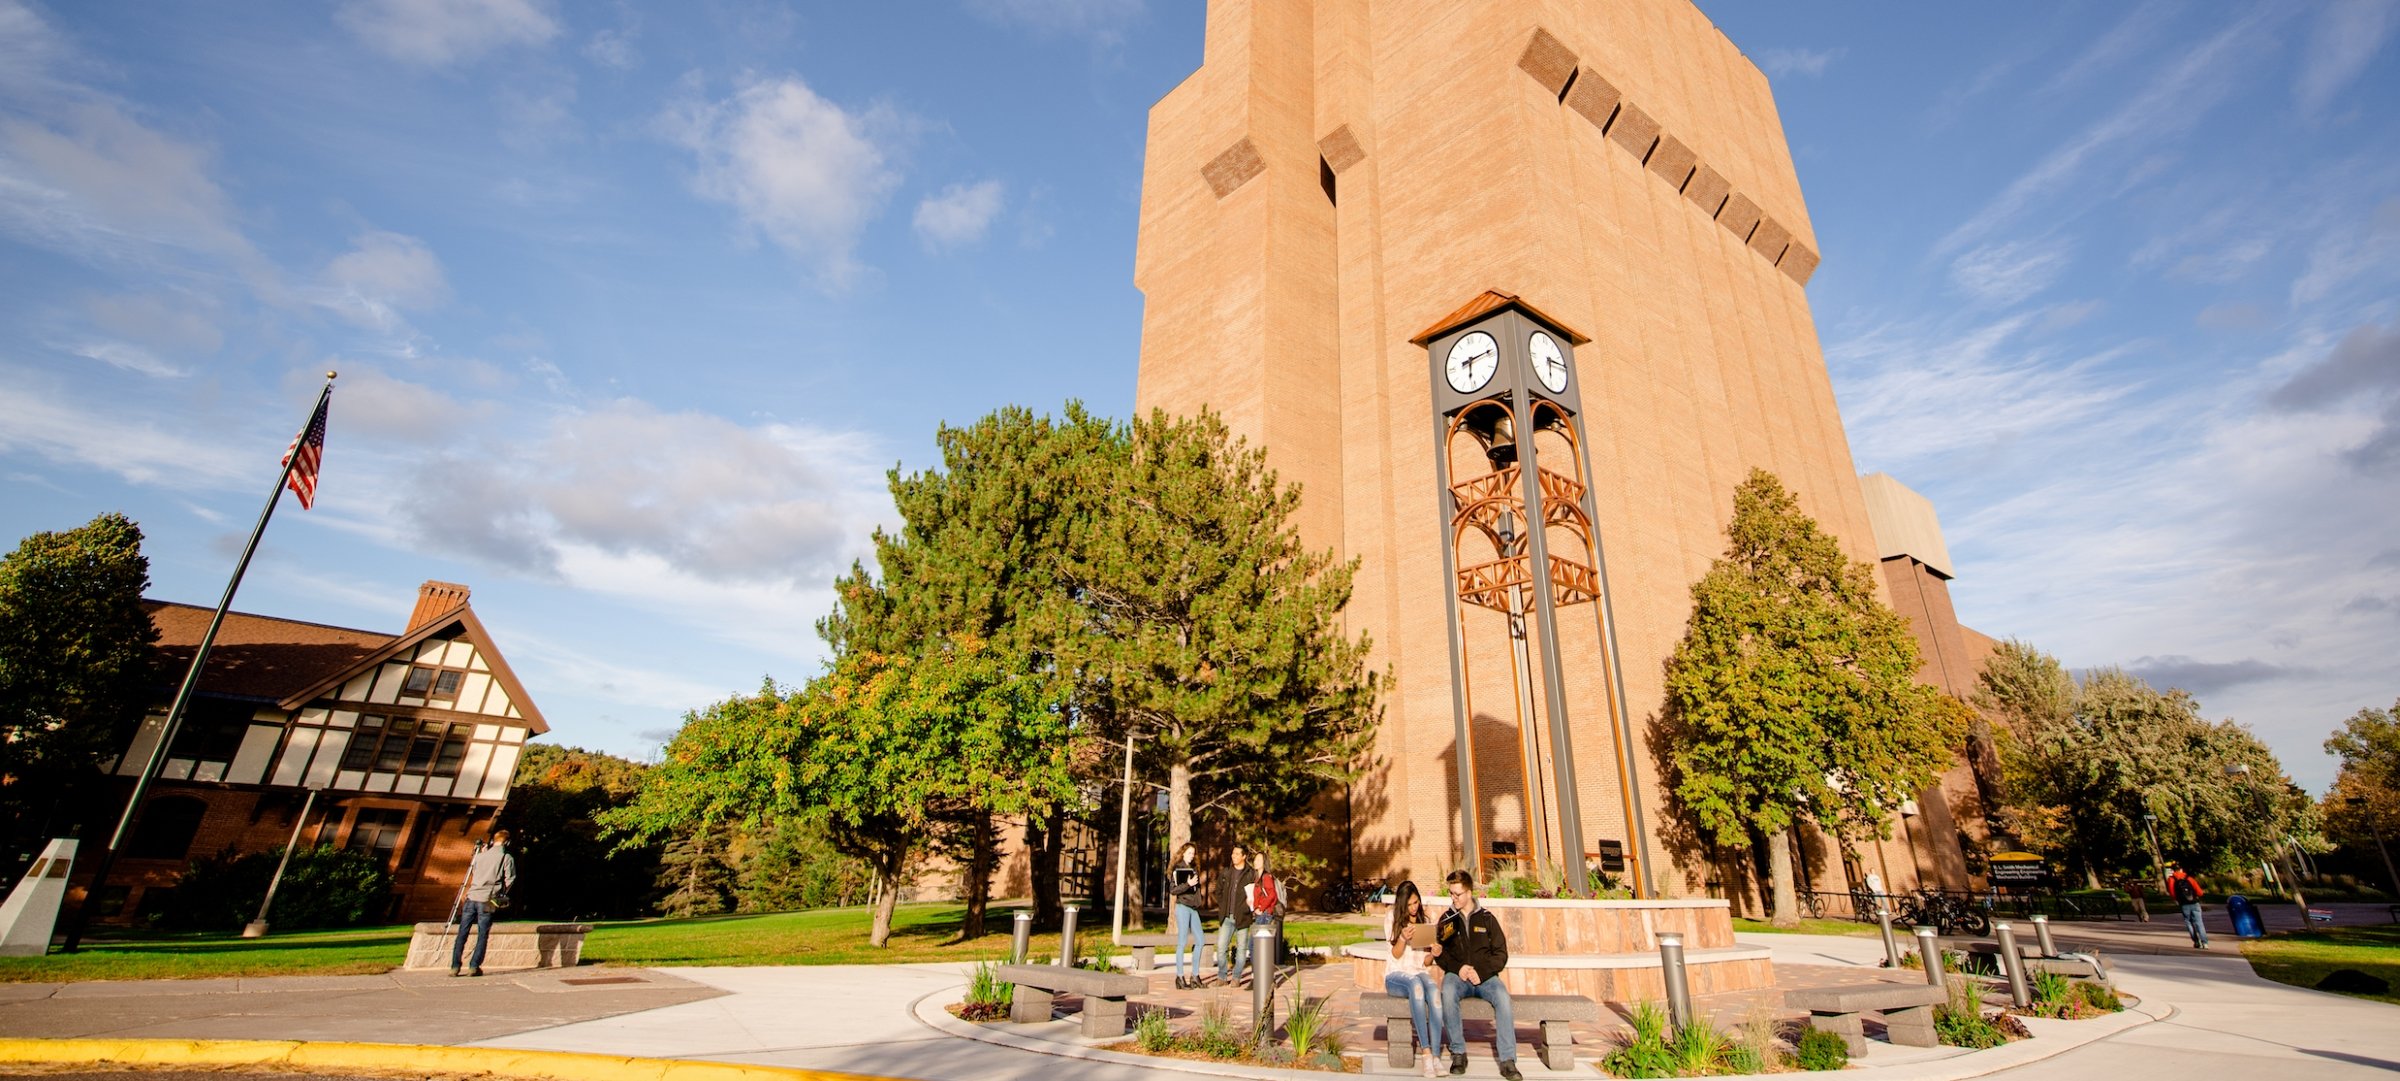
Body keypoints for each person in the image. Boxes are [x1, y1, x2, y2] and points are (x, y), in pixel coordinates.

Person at [1433, 869, 1519, 1081]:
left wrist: (1481, 972)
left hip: (1486, 978)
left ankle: (1508, 1060)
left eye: (1458, 894)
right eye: (1451, 893)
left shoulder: (1487, 918)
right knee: (1448, 991)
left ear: (1470, 892)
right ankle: (1459, 1053)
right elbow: (1441, 954)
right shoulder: (1448, 920)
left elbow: (1501, 953)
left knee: (1503, 998)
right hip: (1458, 977)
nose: (1454, 898)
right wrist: (1457, 967)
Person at [1385, 880, 1446, 1077]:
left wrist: (1434, 953)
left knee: (1435, 992)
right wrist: (1402, 938)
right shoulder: (1391, 918)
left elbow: (1425, 963)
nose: (1413, 907)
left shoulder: (1424, 920)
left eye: (1416, 902)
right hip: (1397, 974)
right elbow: (1395, 955)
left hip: (1419, 972)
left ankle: (1436, 1056)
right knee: (1416, 986)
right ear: (1403, 904)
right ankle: (1426, 1053)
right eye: (1410, 904)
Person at [450, 829, 516, 977]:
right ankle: (474, 966)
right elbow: (510, 879)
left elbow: (474, 872)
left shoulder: (480, 856)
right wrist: (502, 893)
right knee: (482, 934)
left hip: (471, 897)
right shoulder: (506, 857)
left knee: (462, 932)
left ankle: (455, 966)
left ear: (493, 841)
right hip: (488, 899)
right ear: (507, 842)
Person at [1233, 849, 1284, 987]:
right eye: (1255, 859)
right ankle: (1262, 978)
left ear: (1264, 863)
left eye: (1259, 860)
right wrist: (1254, 905)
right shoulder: (1257, 878)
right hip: (1260, 915)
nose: (1256, 862)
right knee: (1257, 947)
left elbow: (1272, 895)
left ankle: (1260, 978)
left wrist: (1261, 907)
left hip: (1265, 915)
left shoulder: (1266, 877)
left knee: (1256, 947)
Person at [1213, 843, 1257, 985]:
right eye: (1233, 853)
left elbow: (1254, 894)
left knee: (1241, 949)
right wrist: (1222, 905)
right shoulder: (1226, 872)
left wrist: (1245, 908)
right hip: (1226, 917)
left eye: (1237, 854)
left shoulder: (1251, 874)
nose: (1234, 856)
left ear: (1244, 856)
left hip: (1243, 917)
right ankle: (1222, 976)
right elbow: (1218, 891)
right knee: (1221, 947)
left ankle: (1236, 977)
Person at [1167, 842, 1204, 989]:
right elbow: (1173, 890)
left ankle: (1195, 975)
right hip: (1182, 907)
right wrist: (1188, 884)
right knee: (1182, 942)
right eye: (1189, 853)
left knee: (1201, 940)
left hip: (1193, 908)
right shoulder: (1178, 869)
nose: (1192, 855)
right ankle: (1180, 977)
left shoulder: (1193, 869)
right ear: (1183, 853)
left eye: (1193, 853)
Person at [2166, 862, 2208, 949]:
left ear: (2173, 870)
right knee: (2199, 923)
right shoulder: (2189, 878)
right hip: (2194, 902)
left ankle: (2196, 941)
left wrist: (2176, 899)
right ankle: (2205, 942)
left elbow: (2172, 892)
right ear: (2181, 869)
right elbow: (2200, 892)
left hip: (2184, 904)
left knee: (2189, 922)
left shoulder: (2171, 879)